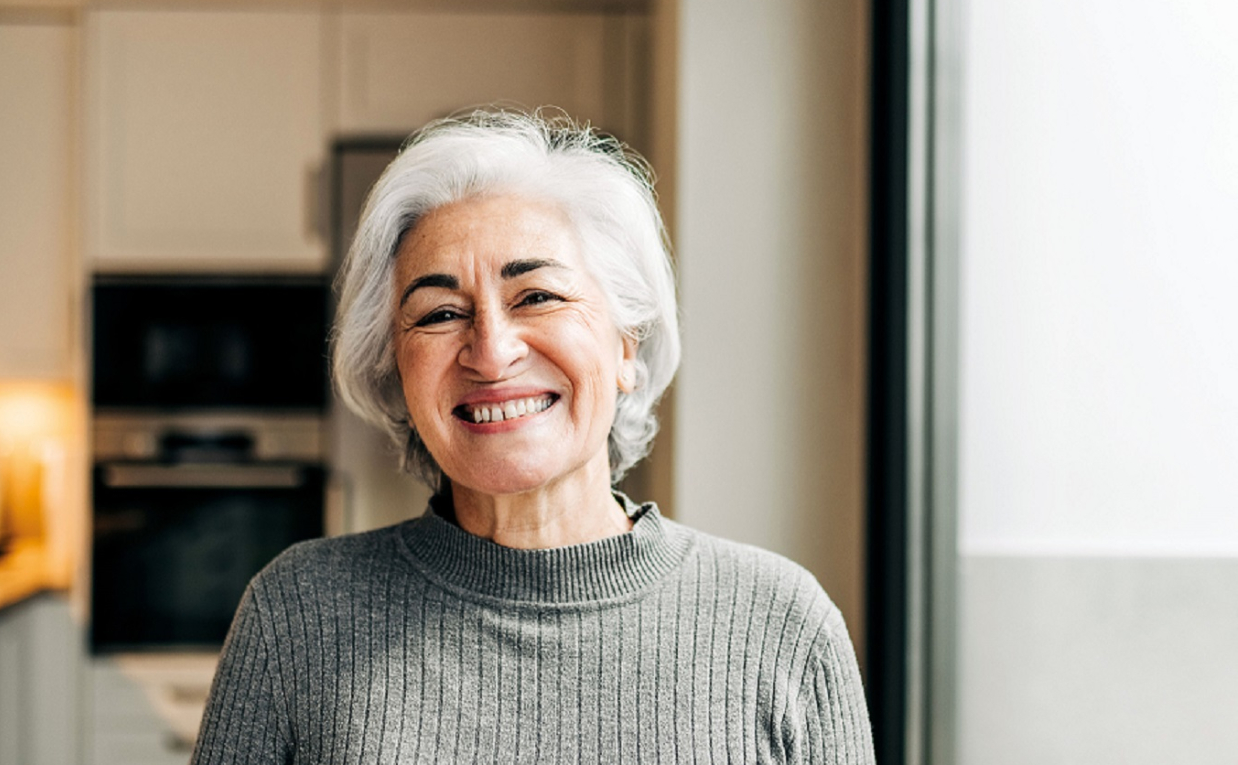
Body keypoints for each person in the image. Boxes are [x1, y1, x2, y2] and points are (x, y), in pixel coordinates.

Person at [191, 110, 874, 764]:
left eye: (537, 296)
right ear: (398, 371)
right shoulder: (297, 615)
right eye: (440, 312)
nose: (490, 352)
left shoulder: (783, 626)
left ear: (625, 346)